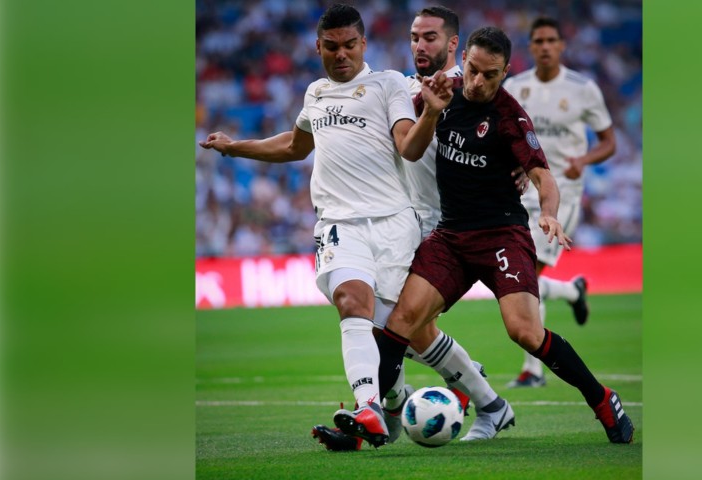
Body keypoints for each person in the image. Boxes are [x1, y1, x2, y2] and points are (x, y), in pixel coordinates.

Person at [200, 4, 453, 449]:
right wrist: (236, 148)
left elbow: (408, 149)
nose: (341, 55)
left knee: (388, 334)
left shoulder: (388, 85)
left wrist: (430, 114)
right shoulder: (315, 94)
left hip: (394, 226)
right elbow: (295, 146)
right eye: (332, 47)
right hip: (340, 224)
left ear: (363, 45)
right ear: (318, 47)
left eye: (349, 46)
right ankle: (370, 407)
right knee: (351, 300)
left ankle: (397, 404)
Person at [365, 26, 634, 444]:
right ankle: (371, 421)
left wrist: (549, 214)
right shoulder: (442, 91)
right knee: (401, 322)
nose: (476, 82)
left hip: (501, 236)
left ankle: (602, 399)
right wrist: (428, 112)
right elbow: (401, 136)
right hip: (450, 236)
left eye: (489, 75)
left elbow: (543, 177)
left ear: (505, 72)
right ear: (464, 60)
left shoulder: (511, 118)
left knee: (524, 332)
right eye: (471, 70)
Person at [312, 6, 517, 451]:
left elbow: (515, 135)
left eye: (429, 37)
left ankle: (393, 408)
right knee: (400, 327)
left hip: (450, 228)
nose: (419, 45)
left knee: (401, 328)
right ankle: (464, 401)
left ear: (453, 45)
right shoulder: (403, 91)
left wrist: (517, 170)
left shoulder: (477, 90)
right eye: (413, 37)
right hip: (409, 220)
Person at [502, 17, 617, 388]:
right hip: (522, 191)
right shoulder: (516, 86)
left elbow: (608, 141)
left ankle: (532, 371)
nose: (546, 46)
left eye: (552, 40)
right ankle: (571, 291)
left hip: (561, 192)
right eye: (539, 41)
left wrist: (583, 161)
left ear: (562, 45)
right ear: (531, 46)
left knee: (527, 276)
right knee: (517, 276)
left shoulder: (582, 88)